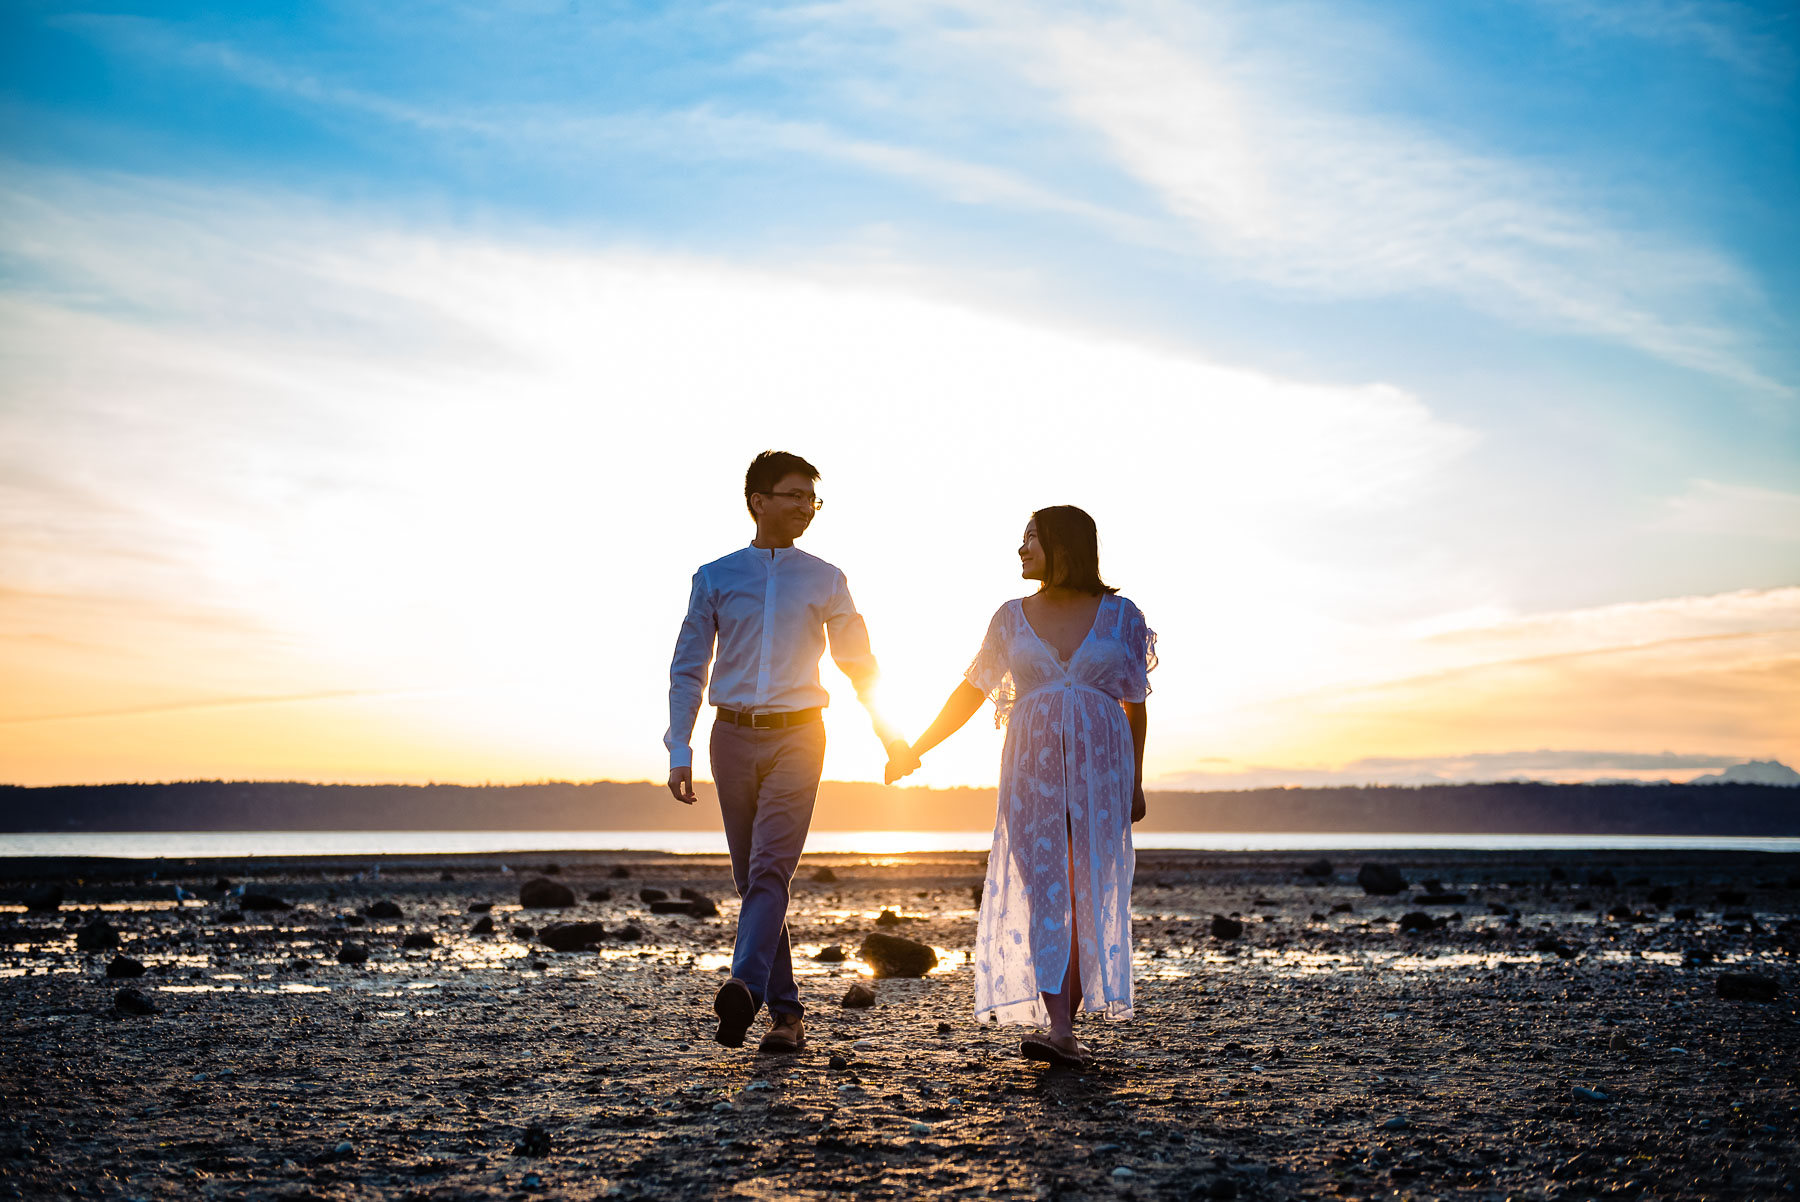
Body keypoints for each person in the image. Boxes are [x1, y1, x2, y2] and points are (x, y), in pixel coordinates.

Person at [886, 506, 1154, 1066]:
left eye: (1031, 538)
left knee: (1089, 895)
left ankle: (1065, 1027)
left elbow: (1136, 705)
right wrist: (916, 745)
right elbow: (971, 691)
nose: (1021, 549)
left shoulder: (1122, 615)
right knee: (1046, 894)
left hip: (1103, 773)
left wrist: (1135, 781)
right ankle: (1060, 1031)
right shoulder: (1010, 617)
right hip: (1031, 773)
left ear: (1065, 545)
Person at [666, 450, 905, 1055]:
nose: (806, 508)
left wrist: (890, 733)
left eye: (812, 499)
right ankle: (788, 1016)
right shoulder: (715, 577)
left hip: (801, 734)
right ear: (758, 501)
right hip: (731, 736)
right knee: (755, 881)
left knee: (770, 870)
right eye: (795, 495)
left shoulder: (826, 578)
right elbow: (689, 668)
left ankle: (744, 986)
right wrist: (679, 745)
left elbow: (859, 663)